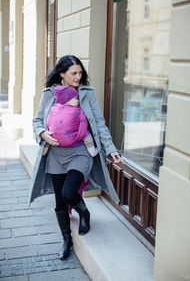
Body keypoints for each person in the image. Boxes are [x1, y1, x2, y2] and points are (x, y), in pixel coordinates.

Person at [29, 55, 123, 261]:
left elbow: (99, 124)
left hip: (80, 152)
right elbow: (37, 121)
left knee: (69, 192)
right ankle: (66, 240)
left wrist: (111, 149)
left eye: (80, 73)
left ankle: (84, 212)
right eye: (74, 73)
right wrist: (42, 133)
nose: (78, 77)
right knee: (60, 201)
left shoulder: (87, 94)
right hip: (55, 155)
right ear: (62, 74)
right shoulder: (49, 94)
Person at [46, 85, 98, 157]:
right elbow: (83, 122)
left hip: (54, 139)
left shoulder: (54, 108)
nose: (78, 101)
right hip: (71, 140)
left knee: (48, 135)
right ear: (67, 100)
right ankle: (92, 151)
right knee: (86, 134)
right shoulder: (76, 110)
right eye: (76, 98)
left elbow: (48, 121)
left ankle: (44, 150)